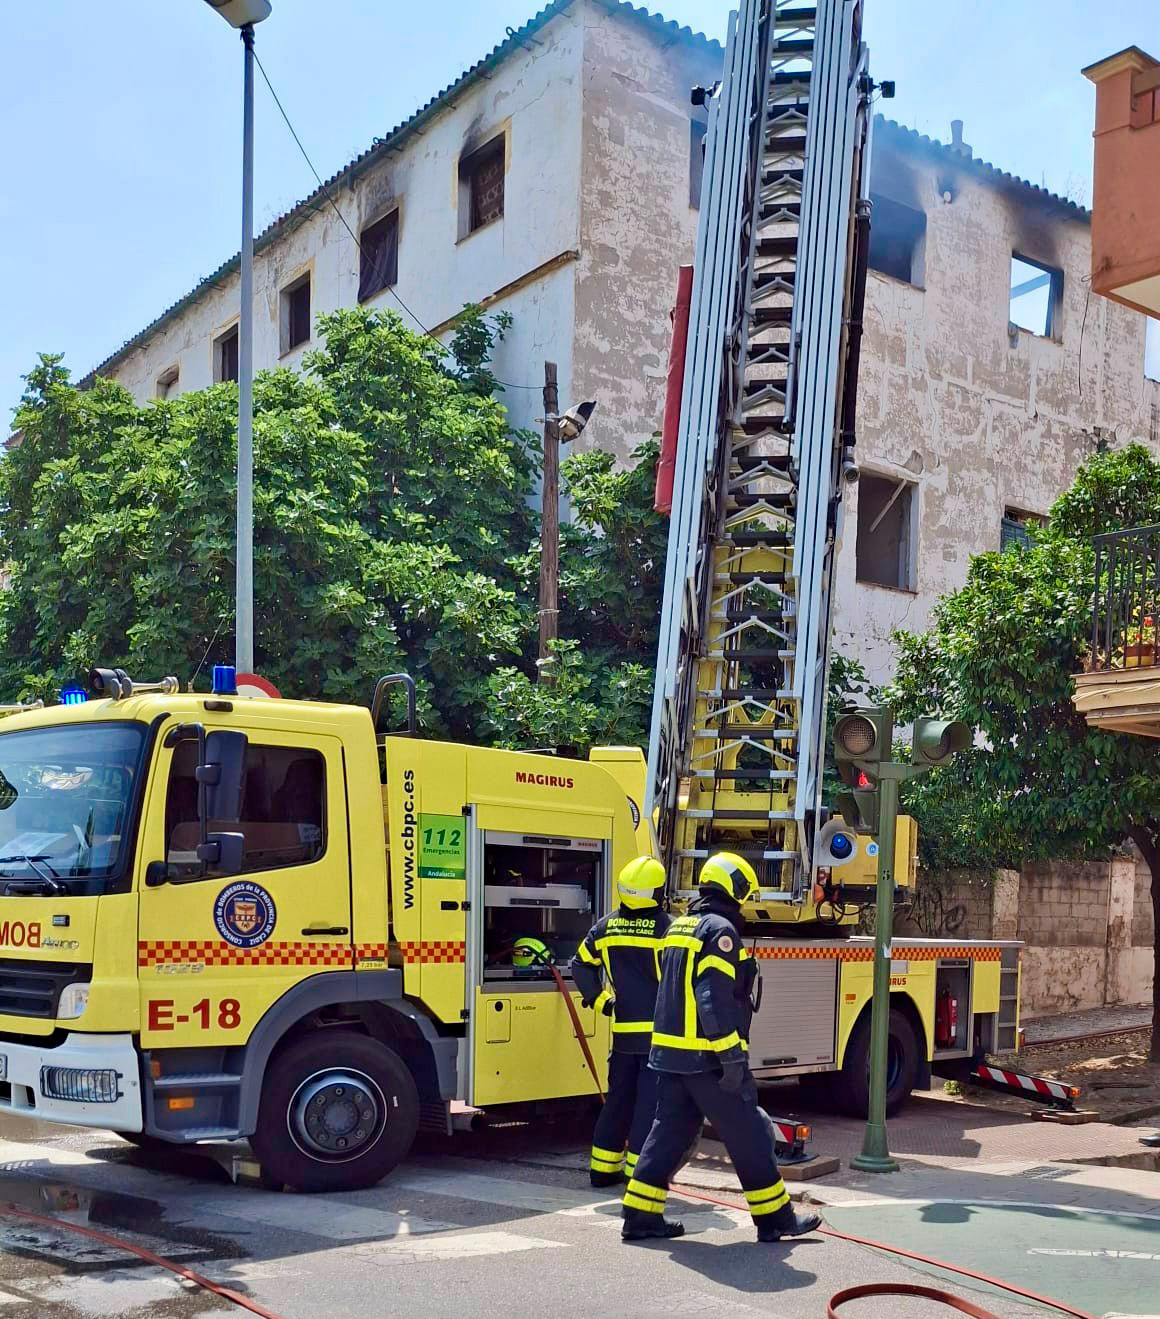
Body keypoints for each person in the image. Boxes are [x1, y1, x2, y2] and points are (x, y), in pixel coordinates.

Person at [621, 851, 822, 1244]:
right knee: (750, 1135)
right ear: (734, 887)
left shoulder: (679, 926)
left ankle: (640, 1216)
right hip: (708, 1059)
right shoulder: (720, 932)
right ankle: (775, 1219)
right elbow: (712, 997)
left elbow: (669, 987)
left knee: (668, 1136)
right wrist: (730, 1056)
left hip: (669, 1057)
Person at [571, 855, 671, 1188]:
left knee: (617, 1101)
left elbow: (581, 965)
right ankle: (638, 1177)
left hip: (623, 1032)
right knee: (647, 1105)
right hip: (659, 1035)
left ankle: (602, 1170)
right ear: (656, 891)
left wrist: (602, 1001)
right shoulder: (667, 929)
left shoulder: (606, 926)